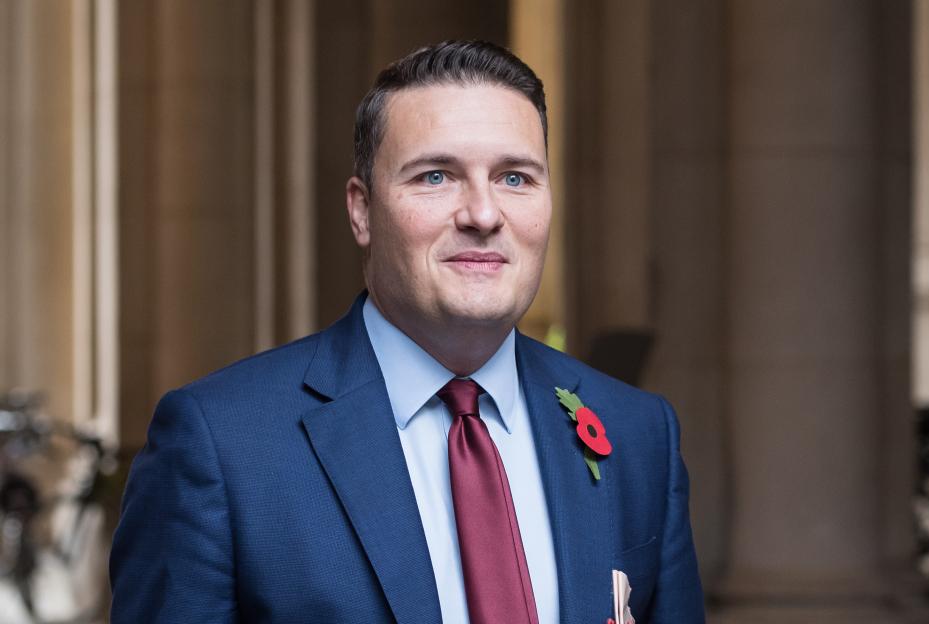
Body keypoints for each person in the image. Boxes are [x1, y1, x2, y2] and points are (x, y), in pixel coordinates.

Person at [109, 40, 705, 624]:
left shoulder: (638, 434)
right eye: (436, 176)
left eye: (515, 178)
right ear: (362, 211)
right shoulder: (223, 444)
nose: (483, 214)